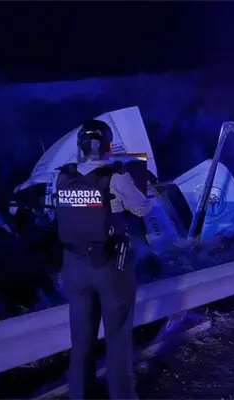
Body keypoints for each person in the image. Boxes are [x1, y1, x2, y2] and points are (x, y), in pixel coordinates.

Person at [54, 119, 150, 400]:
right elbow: (142, 209)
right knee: (117, 336)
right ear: (108, 146)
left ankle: (80, 394)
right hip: (110, 266)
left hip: (73, 266)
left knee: (81, 337)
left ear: (81, 147)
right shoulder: (116, 177)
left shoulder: (61, 177)